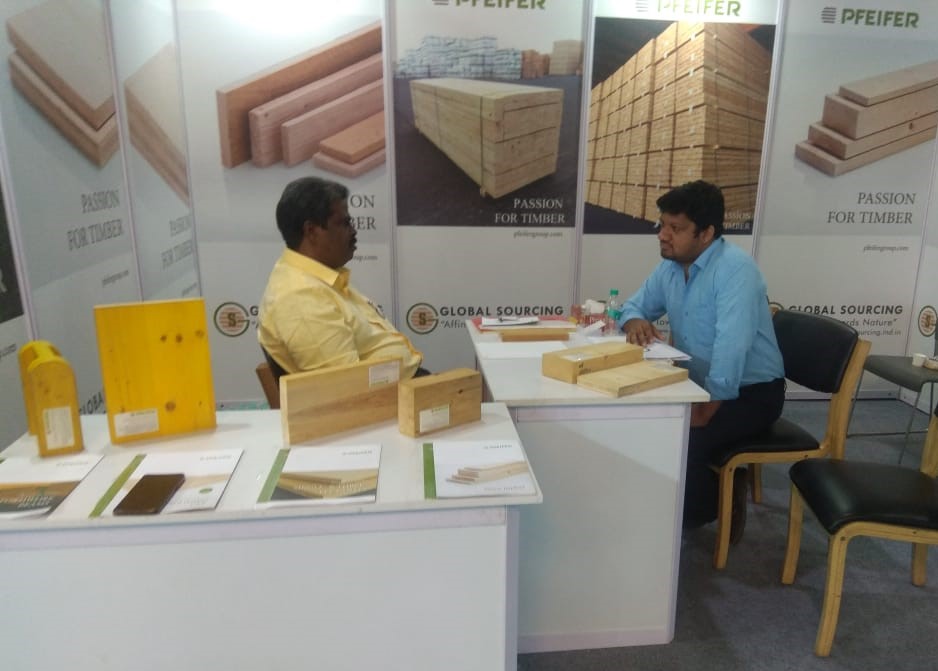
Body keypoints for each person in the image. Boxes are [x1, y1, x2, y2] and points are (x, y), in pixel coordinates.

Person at [617, 180, 785, 542]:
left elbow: (731, 348)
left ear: (706, 233)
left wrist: (707, 408)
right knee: (647, 424)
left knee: (681, 439)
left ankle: (708, 509)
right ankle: (666, 505)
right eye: (662, 225)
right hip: (695, 384)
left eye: (676, 228)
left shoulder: (736, 270)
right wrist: (633, 321)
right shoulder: (672, 266)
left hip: (750, 393)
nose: (663, 235)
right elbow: (633, 306)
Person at [258, 176, 425, 379]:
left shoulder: (318, 279)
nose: (353, 231)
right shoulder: (301, 298)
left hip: (403, 386)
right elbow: (348, 386)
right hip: (394, 395)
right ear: (311, 231)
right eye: (344, 223)